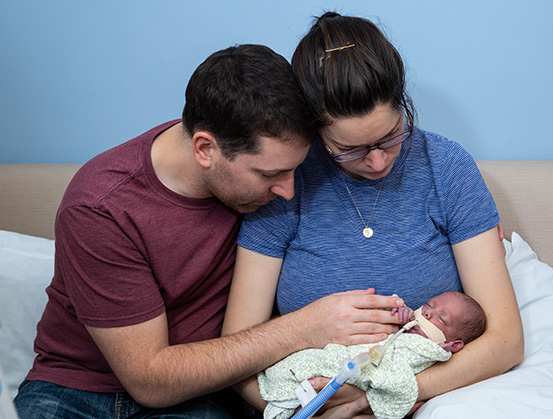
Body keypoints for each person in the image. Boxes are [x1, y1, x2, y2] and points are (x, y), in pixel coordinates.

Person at [13, 44, 407, 419]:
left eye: (293, 170)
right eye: (270, 174)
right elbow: (149, 380)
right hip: (73, 389)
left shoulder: (271, 172)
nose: (288, 191)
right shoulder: (101, 207)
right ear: (205, 149)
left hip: (201, 396)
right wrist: (304, 328)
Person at [222, 12, 524, 418]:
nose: (379, 161)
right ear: (316, 132)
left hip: (429, 397)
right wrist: (306, 408)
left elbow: (506, 340)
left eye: (391, 136)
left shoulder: (446, 167)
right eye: (351, 149)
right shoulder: (287, 182)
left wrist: (375, 398)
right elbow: (237, 352)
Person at [259, 292, 486, 419]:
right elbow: (381, 328)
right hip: (336, 357)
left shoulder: (429, 352)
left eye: (441, 319)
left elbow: (400, 379)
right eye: (428, 305)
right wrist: (399, 314)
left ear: (452, 345)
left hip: (350, 379)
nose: (427, 312)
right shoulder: (405, 328)